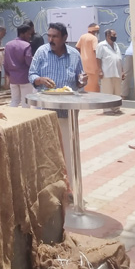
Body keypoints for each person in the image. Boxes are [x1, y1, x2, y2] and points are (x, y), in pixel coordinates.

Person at [28, 23, 85, 189]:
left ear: (65, 38)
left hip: (68, 112)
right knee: (45, 152)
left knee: (68, 151)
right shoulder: (41, 52)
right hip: (44, 111)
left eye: (55, 36)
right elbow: (31, 74)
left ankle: (70, 188)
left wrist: (82, 80)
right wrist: (39, 80)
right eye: (49, 36)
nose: (51, 39)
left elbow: (79, 79)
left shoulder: (74, 55)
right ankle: (48, 188)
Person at [4, 22, 35, 107]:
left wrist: (7, 74)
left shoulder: (8, 45)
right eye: (28, 34)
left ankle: (12, 118)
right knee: (26, 102)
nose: (30, 36)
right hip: (24, 78)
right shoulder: (26, 45)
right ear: (22, 33)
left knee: (14, 100)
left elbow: (5, 62)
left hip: (13, 78)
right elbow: (29, 62)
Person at [97, 28, 126, 115]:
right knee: (107, 92)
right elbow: (98, 58)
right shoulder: (101, 45)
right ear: (108, 36)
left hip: (117, 72)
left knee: (117, 92)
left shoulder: (116, 45)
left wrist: (122, 71)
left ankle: (116, 108)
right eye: (114, 35)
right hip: (107, 73)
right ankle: (107, 109)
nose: (115, 36)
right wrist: (100, 71)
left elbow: (119, 59)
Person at [76, 23, 102, 92]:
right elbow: (95, 50)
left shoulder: (82, 36)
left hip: (83, 65)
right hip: (93, 66)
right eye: (97, 31)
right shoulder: (94, 38)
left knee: (86, 86)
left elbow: (77, 47)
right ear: (94, 31)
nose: (98, 33)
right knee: (94, 87)